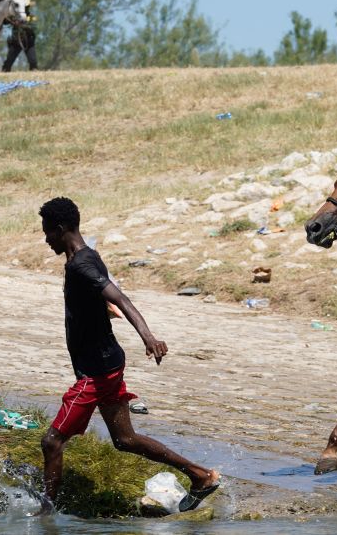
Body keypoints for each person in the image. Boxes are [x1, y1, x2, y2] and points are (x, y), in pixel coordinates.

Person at [37, 197, 219, 512]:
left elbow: (119, 297)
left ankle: (45, 515)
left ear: (61, 228)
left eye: (48, 232)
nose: (46, 239)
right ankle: (201, 476)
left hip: (96, 373)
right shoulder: (85, 258)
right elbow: (105, 303)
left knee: (52, 442)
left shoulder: (82, 264)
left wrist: (148, 336)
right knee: (125, 440)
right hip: (107, 363)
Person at [2, 4, 38, 72]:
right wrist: (7, 17)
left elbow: (33, 27)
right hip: (16, 41)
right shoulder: (14, 16)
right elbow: (4, 22)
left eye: (25, 7)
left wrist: (22, 25)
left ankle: (34, 73)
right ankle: (4, 72)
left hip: (28, 42)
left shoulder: (31, 17)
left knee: (33, 62)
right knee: (8, 62)